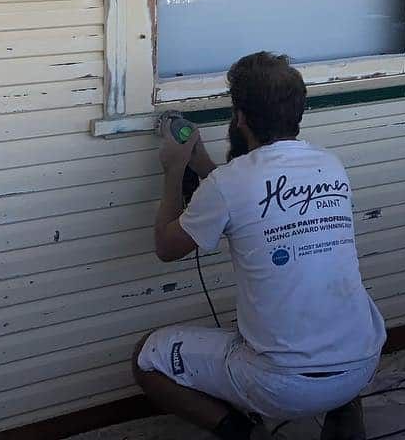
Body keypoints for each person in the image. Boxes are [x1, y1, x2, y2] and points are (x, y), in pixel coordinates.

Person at [134, 52, 385, 439]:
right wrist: (202, 164)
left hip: (279, 384)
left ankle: (246, 435)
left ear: (241, 118)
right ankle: (344, 422)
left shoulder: (230, 184)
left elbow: (167, 246)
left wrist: (173, 171)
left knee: (146, 359)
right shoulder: (330, 166)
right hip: (362, 364)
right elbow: (257, 198)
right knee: (333, 331)